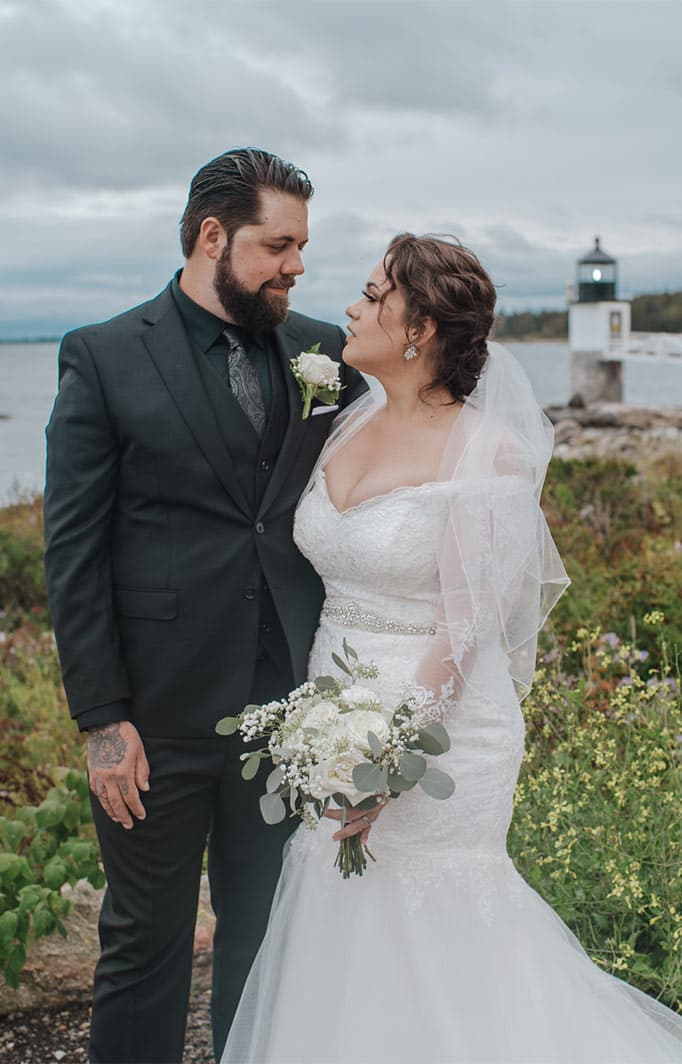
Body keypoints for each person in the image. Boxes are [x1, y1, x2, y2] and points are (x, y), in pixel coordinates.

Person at [222, 234, 682, 1063]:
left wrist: (390, 760)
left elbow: (466, 632)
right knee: (341, 928)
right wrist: (327, 741)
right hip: (330, 715)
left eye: (371, 296)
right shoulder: (337, 423)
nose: (351, 309)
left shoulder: (488, 452)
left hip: (441, 736)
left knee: (433, 931)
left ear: (419, 327)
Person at [43, 147, 366, 1064]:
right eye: (280, 245)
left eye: (302, 246)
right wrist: (103, 719)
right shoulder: (104, 356)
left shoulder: (323, 352)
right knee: (144, 944)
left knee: (263, 941)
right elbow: (73, 549)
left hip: (286, 712)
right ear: (213, 237)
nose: (297, 266)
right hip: (157, 715)